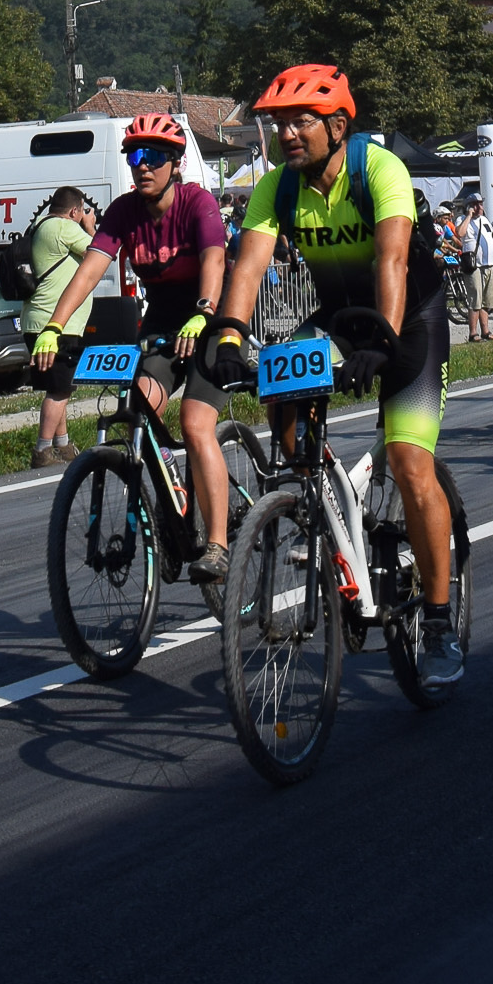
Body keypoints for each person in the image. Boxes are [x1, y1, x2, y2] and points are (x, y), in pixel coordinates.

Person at [204, 65, 462, 694]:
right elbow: (249, 266)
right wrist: (230, 335)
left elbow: (393, 260)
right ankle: (316, 504)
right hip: (340, 317)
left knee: (410, 464)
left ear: (339, 126)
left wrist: (382, 341)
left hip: (409, 317)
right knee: (281, 392)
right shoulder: (277, 187)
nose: (287, 134)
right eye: (279, 124)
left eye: (301, 122)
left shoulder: (379, 170)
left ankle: (437, 622)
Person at [32, 114, 231, 578]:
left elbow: (215, 260)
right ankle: (170, 496)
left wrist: (203, 311)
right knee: (138, 405)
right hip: (162, 322)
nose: (143, 165)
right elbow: (90, 269)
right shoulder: (124, 211)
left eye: (155, 156)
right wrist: (54, 326)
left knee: (195, 423)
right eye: (135, 156)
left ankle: (218, 543)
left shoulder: (197, 202)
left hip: (209, 319)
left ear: (176, 164)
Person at [23, 188, 98, 466]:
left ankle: (63, 444)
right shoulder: (64, 228)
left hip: (38, 320)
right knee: (60, 390)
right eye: (81, 211)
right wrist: (90, 227)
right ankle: (42, 450)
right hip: (56, 324)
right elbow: (99, 255)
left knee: (57, 386)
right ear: (75, 211)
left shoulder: (40, 225)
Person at [459, 195, 493, 341]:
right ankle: (473, 333)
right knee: (475, 299)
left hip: (489, 264)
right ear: (469, 206)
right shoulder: (462, 219)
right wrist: (469, 216)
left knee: (487, 301)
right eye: (475, 204)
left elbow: (491, 241)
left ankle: (485, 331)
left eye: (481, 204)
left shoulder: (484, 220)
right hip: (474, 265)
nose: (480, 207)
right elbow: (460, 233)